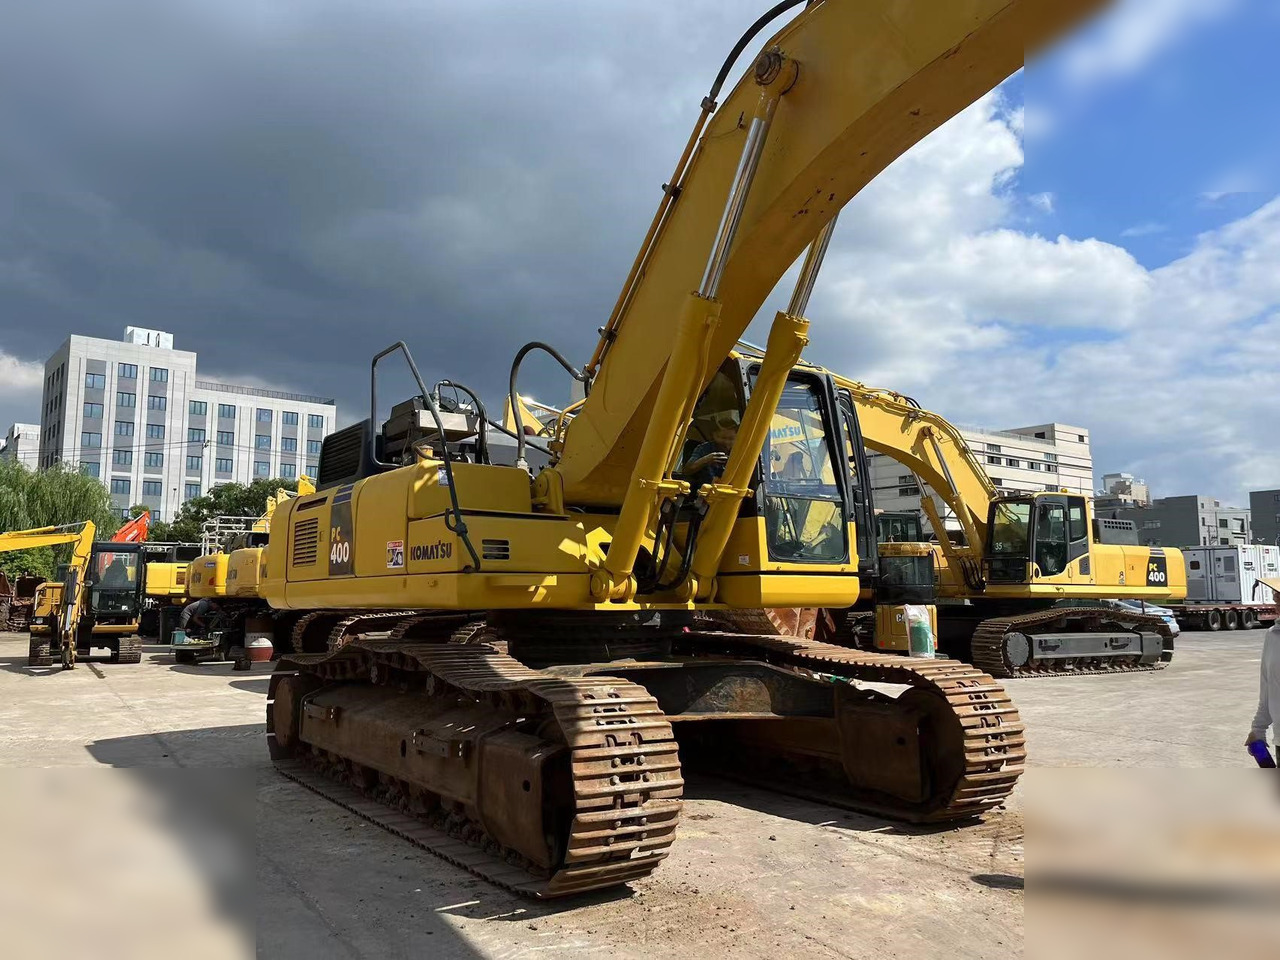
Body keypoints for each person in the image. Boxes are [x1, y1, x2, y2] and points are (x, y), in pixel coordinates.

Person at [1247, 618, 1280, 759]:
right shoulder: (1273, 635)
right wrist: (1258, 728)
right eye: (1275, 595)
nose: (1276, 599)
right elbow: (1268, 687)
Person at [684, 413, 738, 492]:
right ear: (713, 435)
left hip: (730, 493)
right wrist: (706, 460)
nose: (726, 442)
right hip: (703, 491)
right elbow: (687, 470)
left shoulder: (739, 451)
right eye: (722, 438)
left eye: (731, 439)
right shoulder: (704, 448)